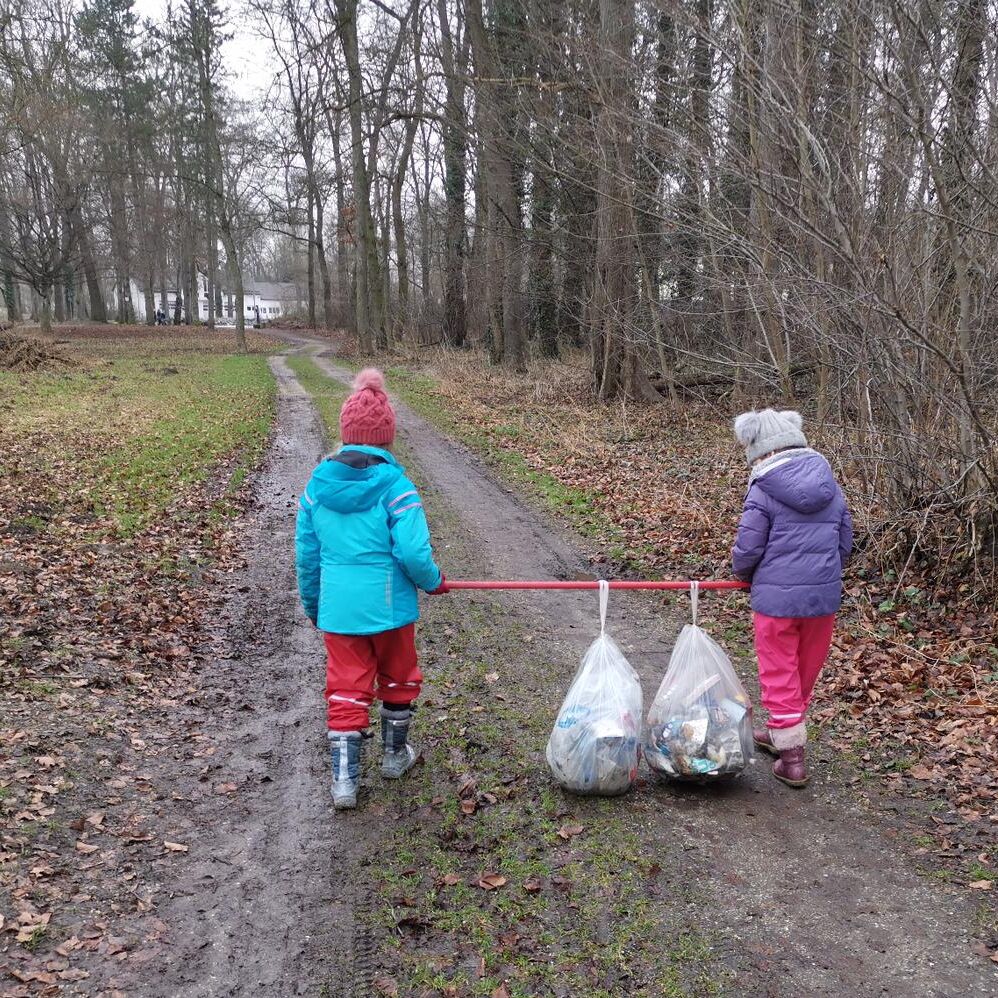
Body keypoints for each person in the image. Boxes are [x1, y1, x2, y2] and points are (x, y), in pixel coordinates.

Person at [295, 369, 448, 809]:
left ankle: (344, 781)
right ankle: (394, 756)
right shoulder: (397, 488)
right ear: (387, 439)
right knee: (398, 677)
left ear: (346, 435)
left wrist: (314, 604)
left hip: (339, 612)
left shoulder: (315, 491)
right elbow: (415, 554)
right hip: (391, 609)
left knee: (345, 685)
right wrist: (432, 582)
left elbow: (307, 557)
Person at [732, 409, 852, 787]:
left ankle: (792, 759)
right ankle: (782, 729)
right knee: (804, 669)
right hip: (823, 598)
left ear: (758, 450)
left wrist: (742, 574)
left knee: (779, 671)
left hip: (776, 602)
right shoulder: (831, 486)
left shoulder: (763, 488)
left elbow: (748, 548)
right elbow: (844, 542)